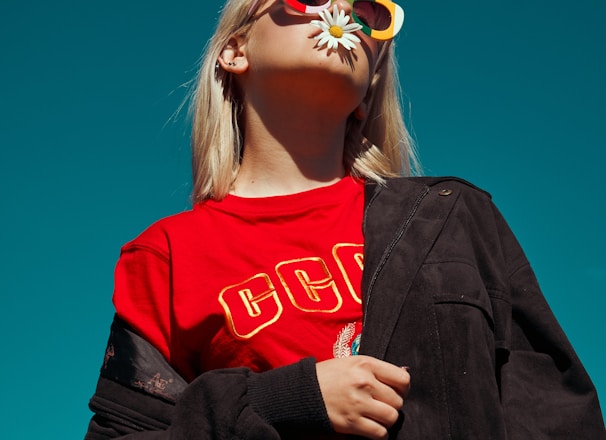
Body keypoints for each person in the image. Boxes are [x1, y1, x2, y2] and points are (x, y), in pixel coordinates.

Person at [85, 0, 605, 439]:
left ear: (375, 74)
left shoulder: (451, 218)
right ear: (235, 51)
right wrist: (285, 400)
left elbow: (556, 414)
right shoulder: (167, 253)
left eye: (369, 11)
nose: (341, 13)